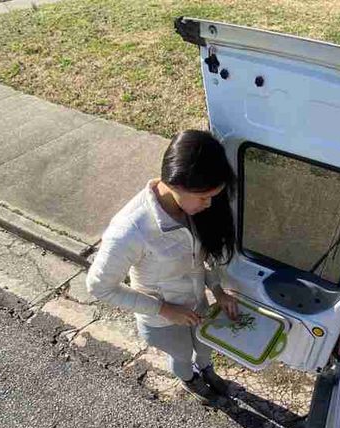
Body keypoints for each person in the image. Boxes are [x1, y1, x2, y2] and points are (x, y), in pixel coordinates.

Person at [86, 130, 240, 401]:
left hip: (197, 305)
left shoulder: (192, 208)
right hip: (161, 321)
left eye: (214, 196)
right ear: (177, 183)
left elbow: (201, 258)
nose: (210, 204)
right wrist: (164, 309)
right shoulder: (130, 230)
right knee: (181, 354)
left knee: (204, 346)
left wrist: (217, 289)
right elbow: (99, 287)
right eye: (204, 197)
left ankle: (206, 369)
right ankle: (189, 379)